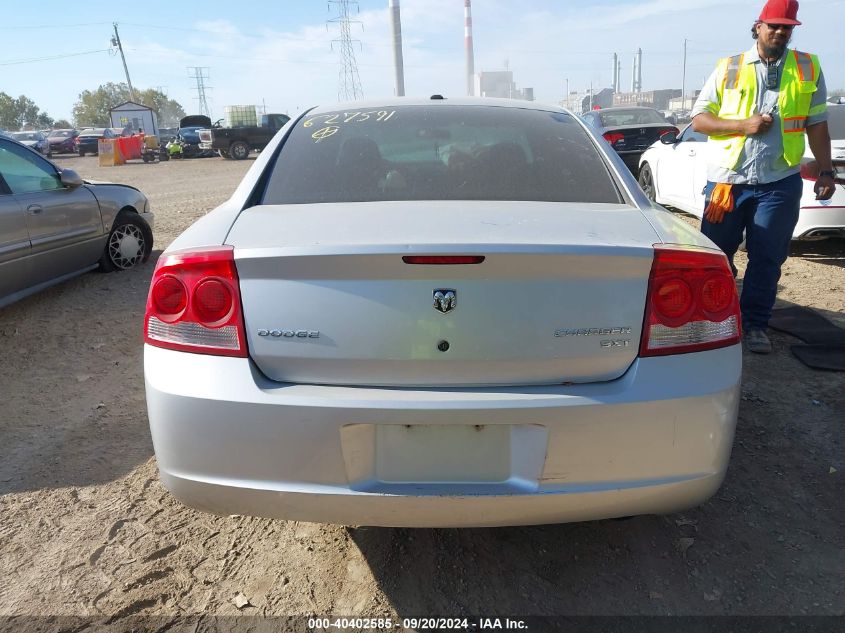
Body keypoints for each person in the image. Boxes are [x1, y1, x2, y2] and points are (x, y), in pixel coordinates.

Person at [690, 0, 835, 354]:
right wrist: (743, 125)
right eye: (774, 25)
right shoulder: (730, 67)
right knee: (715, 256)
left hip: (779, 182)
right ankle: (710, 321)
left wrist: (826, 168)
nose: (780, 32)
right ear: (758, 26)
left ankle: (754, 324)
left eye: (787, 27)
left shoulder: (807, 67)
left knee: (768, 258)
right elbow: (699, 119)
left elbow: (816, 124)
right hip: (728, 183)